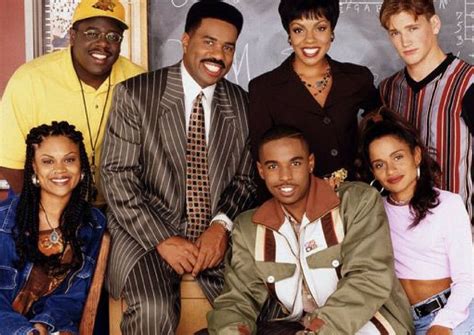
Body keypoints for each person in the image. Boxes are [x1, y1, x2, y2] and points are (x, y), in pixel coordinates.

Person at [100, 1, 273, 334]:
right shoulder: (136, 95)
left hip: (214, 240)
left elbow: (245, 181)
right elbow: (116, 177)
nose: (218, 55)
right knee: (155, 311)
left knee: (262, 306)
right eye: (208, 41)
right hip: (147, 236)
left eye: (228, 47)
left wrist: (221, 227)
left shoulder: (241, 103)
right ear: (185, 40)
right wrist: (164, 239)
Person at [206, 125, 413, 334]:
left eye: (295, 163)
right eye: (272, 166)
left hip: (371, 323)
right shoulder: (250, 227)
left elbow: (368, 278)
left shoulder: (356, 202)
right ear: (261, 171)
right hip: (301, 327)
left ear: (310, 163)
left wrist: (316, 331)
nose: (285, 176)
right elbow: (238, 299)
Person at [0, 0, 144, 204]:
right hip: (43, 206)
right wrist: (46, 215)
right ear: (73, 36)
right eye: (92, 33)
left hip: (120, 207)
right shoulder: (30, 79)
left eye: (112, 36)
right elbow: (9, 161)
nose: (102, 43)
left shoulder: (138, 81)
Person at [249, 0, 380, 199]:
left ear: (332, 31)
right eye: (299, 30)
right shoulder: (264, 89)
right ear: (289, 35)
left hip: (355, 200)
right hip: (296, 205)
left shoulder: (357, 78)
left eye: (320, 28)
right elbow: (261, 161)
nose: (310, 40)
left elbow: (380, 127)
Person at [358, 108, 473, 334]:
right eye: (380, 164)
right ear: (373, 171)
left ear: (416, 156)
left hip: (450, 313)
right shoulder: (374, 210)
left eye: (398, 157)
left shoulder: (447, 204)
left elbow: (467, 278)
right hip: (400, 318)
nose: (391, 170)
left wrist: (443, 324)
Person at [0, 121, 106, 335]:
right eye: (48, 161)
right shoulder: (4, 219)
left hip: (54, 327)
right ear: (34, 167)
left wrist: (43, 326)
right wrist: (24, 332)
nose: (60, 169)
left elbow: (74, 296)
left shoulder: (93, 223)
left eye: (69, 159)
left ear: (81, 166)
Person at [378, 0, 474, 222]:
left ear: (435, 24)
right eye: (395, 33)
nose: (405, 41)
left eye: (412, 28)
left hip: (456, 231)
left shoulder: (467, 83)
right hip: (400, 231)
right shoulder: (388, 90)